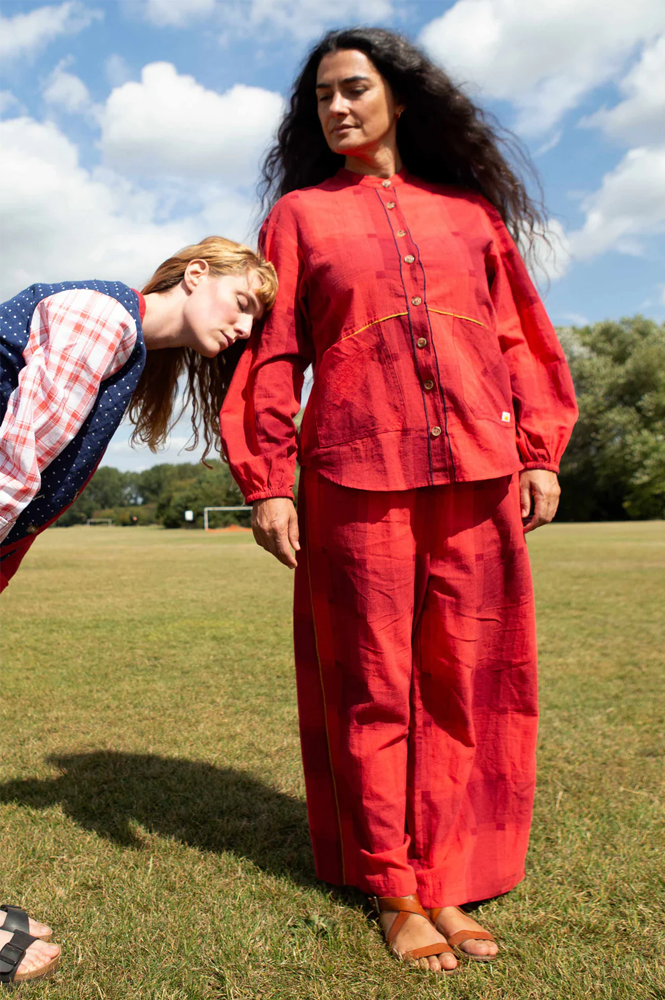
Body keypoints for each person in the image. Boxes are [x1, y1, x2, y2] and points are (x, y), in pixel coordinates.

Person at [221, 28, 577, 975]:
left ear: (400, 99)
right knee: (374, 685)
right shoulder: (298, 218)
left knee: (468, 678)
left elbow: (521, 339)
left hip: (479, 471)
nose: (338, 108)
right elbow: (274, 355)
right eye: (322, 98)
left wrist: (538, 450)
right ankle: (394, 885)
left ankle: (452, 875)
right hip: (350, 478)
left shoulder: (468, 216)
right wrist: (267, 480)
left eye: (354, 90)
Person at [0, 237, 277, 986]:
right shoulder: (104, 320)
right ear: (196, 275)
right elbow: (15, 462)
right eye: (243, 302)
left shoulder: (129, 354)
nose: (246, 328)